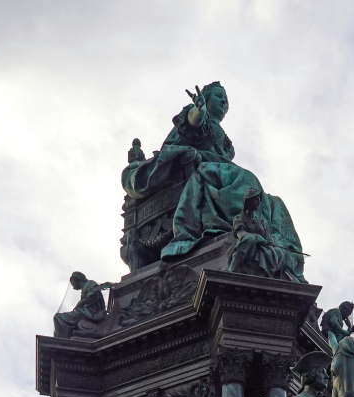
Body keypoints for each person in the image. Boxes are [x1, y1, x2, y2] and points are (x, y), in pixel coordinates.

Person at [122, 82, 303, 279]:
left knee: (274, 202)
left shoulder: (223, 137)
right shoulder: (198, 114)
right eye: (219, 96)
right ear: (206, 99)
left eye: (226, 100)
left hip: (219, 171)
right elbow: (191, 122)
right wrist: (198, 111)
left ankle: (265, 240)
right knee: (246, 178)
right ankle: (235, 225)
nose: (224, 102)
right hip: (202, 168)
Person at [54, 272, 117, 338]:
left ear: (77, 279)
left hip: (91, 313)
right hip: (85, 312)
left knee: (58, 318)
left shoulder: (90, 283)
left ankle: (63, 340)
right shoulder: (84, 289)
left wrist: (80, 303)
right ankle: (64, 339)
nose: (73, 288)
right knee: (59, 318)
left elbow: (94, 296)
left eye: (73, 284)